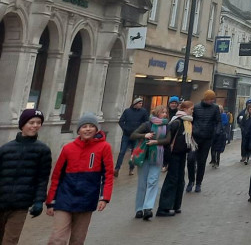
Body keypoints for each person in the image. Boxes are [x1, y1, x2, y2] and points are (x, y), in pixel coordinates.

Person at [45, 112, 114, 245]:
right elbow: (57, 175)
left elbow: (108, 175)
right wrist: (51, 201)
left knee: (77, 239)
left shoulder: (104, 147)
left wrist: (104, 198)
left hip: (87, 199)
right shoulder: (68, 148)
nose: (87, 129)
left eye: (91, 126)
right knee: (57, 238)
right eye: (84, 126)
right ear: (79, 130)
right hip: (64, 197)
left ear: (96, 129)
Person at [0, 109, 52, 244]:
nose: (35, 125)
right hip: (1, 201)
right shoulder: (5, 149)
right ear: (22, 124)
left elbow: (42, 179)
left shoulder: (43, 151)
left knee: (10, 240)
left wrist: (39, 201)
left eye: (38, 123)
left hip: (21, 204)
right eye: (31, 122)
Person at [156, 100, 196, 217]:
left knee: (180, 180)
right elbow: (168, 141)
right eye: (191, 109)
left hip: (182, 153)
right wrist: (167, 159)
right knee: (172, 180)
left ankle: (175, 205)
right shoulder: (177, 122)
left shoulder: (187, 122)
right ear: (184, 109)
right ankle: (163, 207)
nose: (192, 111)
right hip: (174, 155)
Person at [130, 104, 169, 221]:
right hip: (145, 156)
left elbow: (167, 140)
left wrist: (155, 142)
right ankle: (139, 209)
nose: (165, 114)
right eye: (163, 112)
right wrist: (144, 135)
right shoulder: (148, 124)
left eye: (166, 112)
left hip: (157, 157)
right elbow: (133, 135)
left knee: (153, 181)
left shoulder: (167, 125)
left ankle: (148, 208)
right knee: (142, 183)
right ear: (157, 113)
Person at [187, 89, 221, 192]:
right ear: (206, 99)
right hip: (195, 137)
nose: (212, 101)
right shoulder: (196, 107)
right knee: (190, 159)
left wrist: (217, 131)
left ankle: (198, 183)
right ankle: (191, 180)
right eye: (210, 99)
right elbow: (191, 120)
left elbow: (218, 121)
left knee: (202, 162)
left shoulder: (215, 108)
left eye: (213, 99)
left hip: (207, 138)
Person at [114, 97, 148, 177]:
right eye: (139, 103)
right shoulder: (127, 111)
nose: (141, 105)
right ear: (135, 104)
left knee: (134, 153)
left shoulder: (143, 112)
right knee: (122, 152)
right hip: (126, 135)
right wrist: (125, 129)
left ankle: (131, 168)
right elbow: (121, 121)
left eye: (141, 103)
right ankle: (117, 168)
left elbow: (146, 123)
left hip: (136, 136)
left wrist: (140, 131)